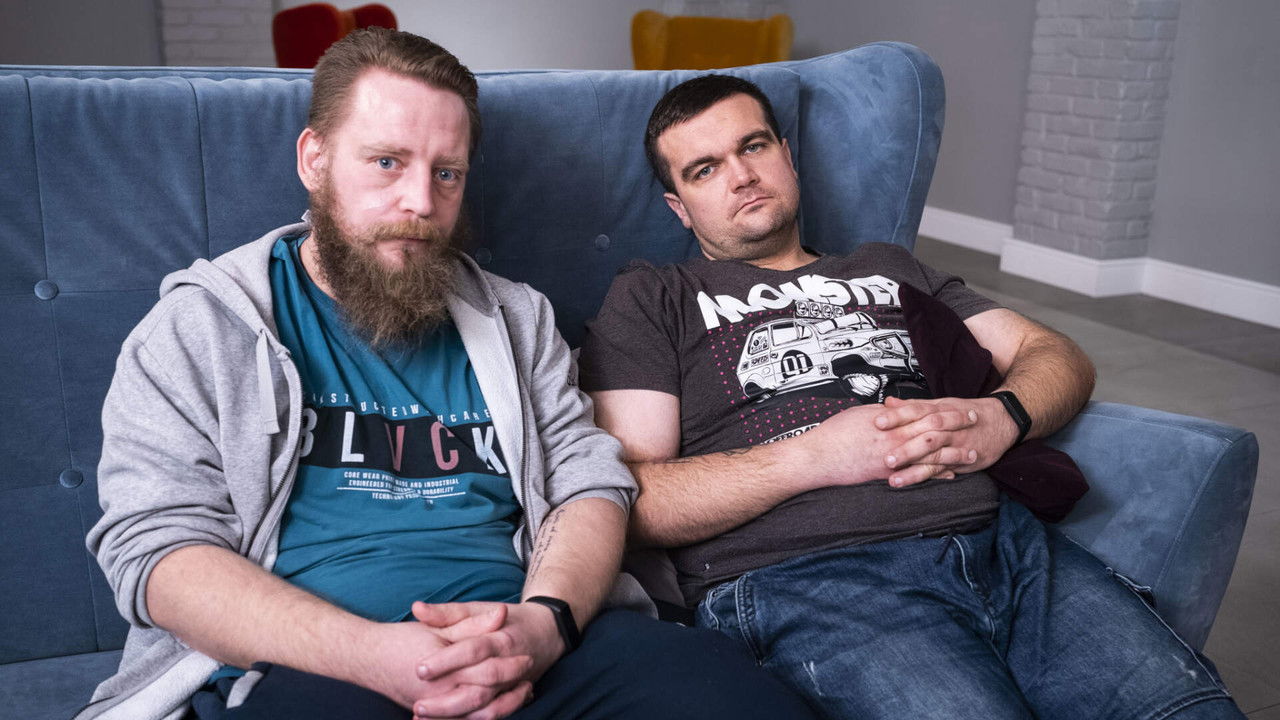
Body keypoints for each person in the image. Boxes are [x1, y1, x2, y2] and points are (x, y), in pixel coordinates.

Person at [77, 33, 816, 720]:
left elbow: (589, 486)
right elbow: (157, 552)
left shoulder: (516, 318)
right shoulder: (204, 325)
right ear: (314, 159)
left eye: (447, 172)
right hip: (311, 661)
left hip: (525, 641)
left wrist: (545, 625)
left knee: (742, 702)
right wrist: (371, 654)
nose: (421, 203)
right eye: (386, 162)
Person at [579, 73, 1245, 720]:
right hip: (812, 580)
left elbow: (1054, 353)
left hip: (1008, 551)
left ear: (785, 154)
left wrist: (1003, 415)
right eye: (704, 169)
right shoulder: (654, 297)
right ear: (679, 206)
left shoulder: (887, 266)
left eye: (753, 146)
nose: (742, 175)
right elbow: (628, 498)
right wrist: (813, 457)